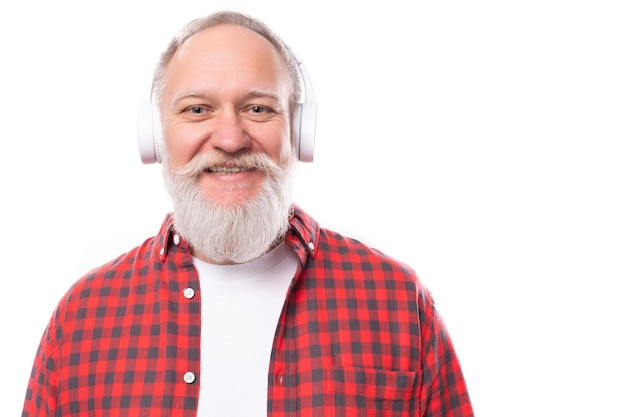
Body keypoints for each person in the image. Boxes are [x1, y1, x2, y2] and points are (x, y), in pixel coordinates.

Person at [21, 10, 474, 417]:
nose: (231, 139)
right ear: (155, 138)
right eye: (197, 110)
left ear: (299, 131)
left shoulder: (394, 301)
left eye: (258, 108)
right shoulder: (82, 316)